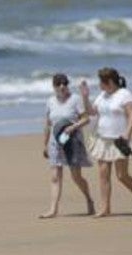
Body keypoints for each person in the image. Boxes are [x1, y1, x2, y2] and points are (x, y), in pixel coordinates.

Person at [80, 68, 132, 217]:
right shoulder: (102, 96)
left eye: (101, 82)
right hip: (102, 139)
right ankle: (105, 208)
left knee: (122, 176)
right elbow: (91, 112)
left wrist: (127, 135)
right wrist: (85, 97)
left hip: (119, 140)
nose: (99, 85)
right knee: (103, 175)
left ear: (109, 82)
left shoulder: (124, 94)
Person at [39, 73, 95, 218]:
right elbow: (47, 124)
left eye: (64, 83)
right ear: (54, 87)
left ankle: (89, 199)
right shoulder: (50, 101)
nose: (62, 86)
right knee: (55, 176)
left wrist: (73, 127)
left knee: (76, 176)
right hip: (55, 142)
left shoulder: (75, 99)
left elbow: (86, 119)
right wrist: (45, 145)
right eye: (58, 84)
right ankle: (53, 209)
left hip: (73, 140)